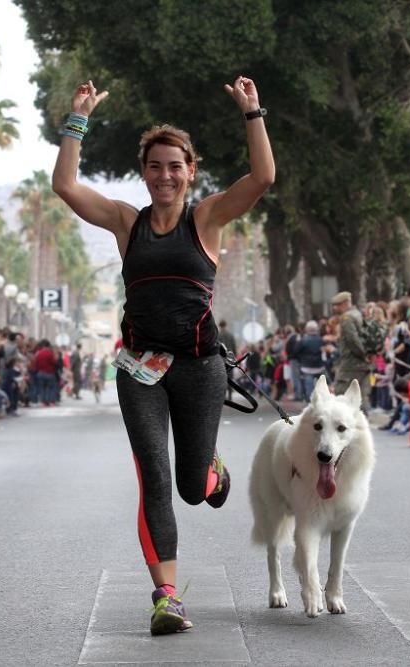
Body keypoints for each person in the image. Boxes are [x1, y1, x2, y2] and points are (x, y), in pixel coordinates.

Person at [51, 76, 274, 635]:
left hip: (200, 368)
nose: (166, 175)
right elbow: (65, 186)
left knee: (190, 486)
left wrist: (253, 114)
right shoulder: (128, 223)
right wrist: (78, 120)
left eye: (176, 165)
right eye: (155, 166)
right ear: (144, 172)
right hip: (139, 370)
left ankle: (209, 470)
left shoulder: (208, 219)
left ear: (190, 171)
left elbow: (264, 177)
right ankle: (167, 597)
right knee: (153, 477)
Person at [330, 291, 370, 409]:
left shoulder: (347, 318)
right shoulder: (358, 314)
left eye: (337, 305)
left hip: (351, 363)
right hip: (361, 364)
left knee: (341, 392)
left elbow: (352, 340)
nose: (335, 308)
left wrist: (363, 354)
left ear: (345, 303)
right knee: (360, 394)